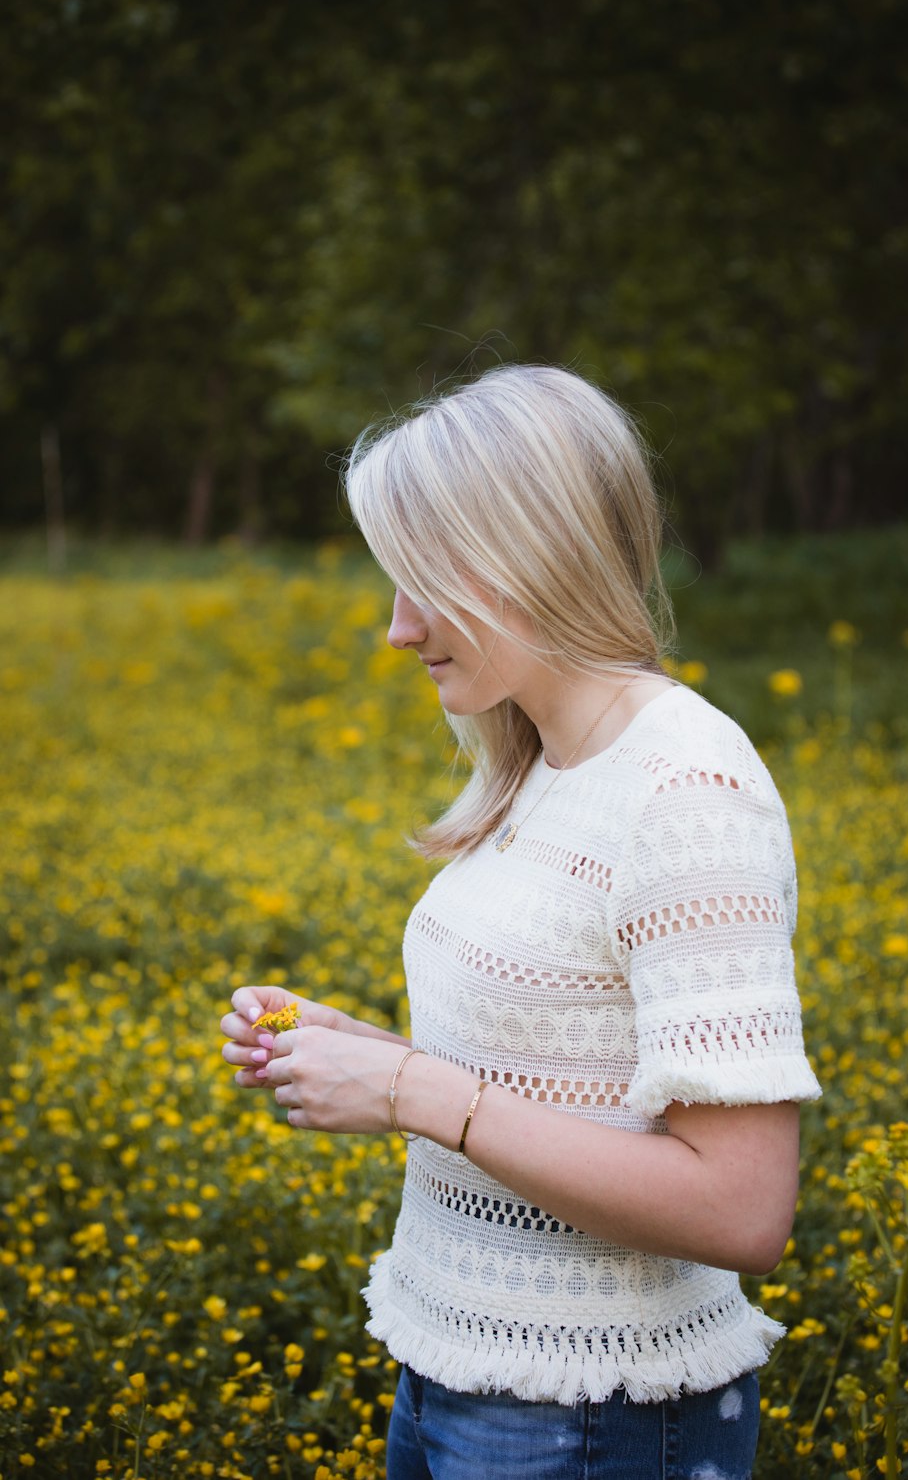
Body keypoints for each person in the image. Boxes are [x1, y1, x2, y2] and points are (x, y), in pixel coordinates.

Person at [220, 365, 821, 1480]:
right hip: (457, 1366)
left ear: (525, 558)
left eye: (422, 585)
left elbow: (740, 1208)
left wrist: (413, 1096)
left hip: (596, 1413)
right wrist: (367, 1053)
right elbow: (556, 1092)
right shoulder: (545, 764)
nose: (398, 630)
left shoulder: (685, 791)